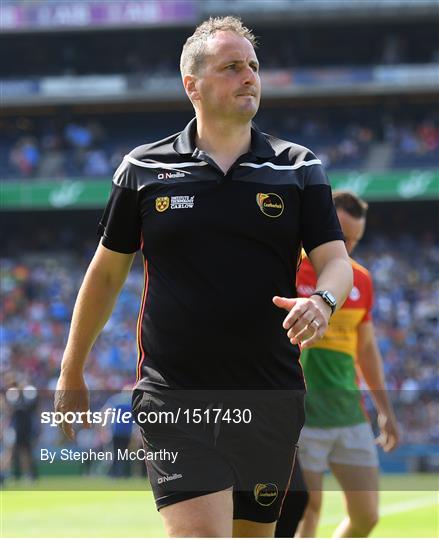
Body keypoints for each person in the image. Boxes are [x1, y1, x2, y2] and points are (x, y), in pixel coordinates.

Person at [54, 16, 353, 538]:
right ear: (191, 84)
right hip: (175, 395)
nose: (249, 77)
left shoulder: (298, 167)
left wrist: (323, 301)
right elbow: (104, 276)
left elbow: (336, 260)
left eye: (253, 66)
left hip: (270, 394)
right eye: (232, 67)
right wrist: (71, 369)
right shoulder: (142, 169)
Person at [280, 191, 399, 538]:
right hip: (302, 413)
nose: (348, 246)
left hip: (349, 412)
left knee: (366, 517)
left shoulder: (360, 279)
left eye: (356, 240)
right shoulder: (286, 266)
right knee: (308, 509)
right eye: (343, 236)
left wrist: (384, 409)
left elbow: (366, 350)